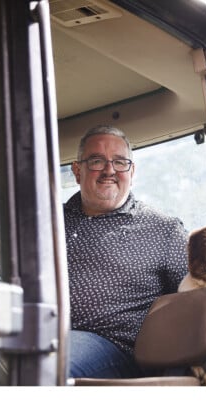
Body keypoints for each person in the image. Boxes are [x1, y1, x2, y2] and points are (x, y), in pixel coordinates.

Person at [64, 125, 188, 378]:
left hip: (114, 348)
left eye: (120, 162)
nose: (109, 170)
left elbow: (199, 292)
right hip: (34, 334)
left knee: (44, 364)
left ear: (132, 172)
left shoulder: (163, 230)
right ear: (77, 171)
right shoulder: (45, 222)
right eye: (97, 161)